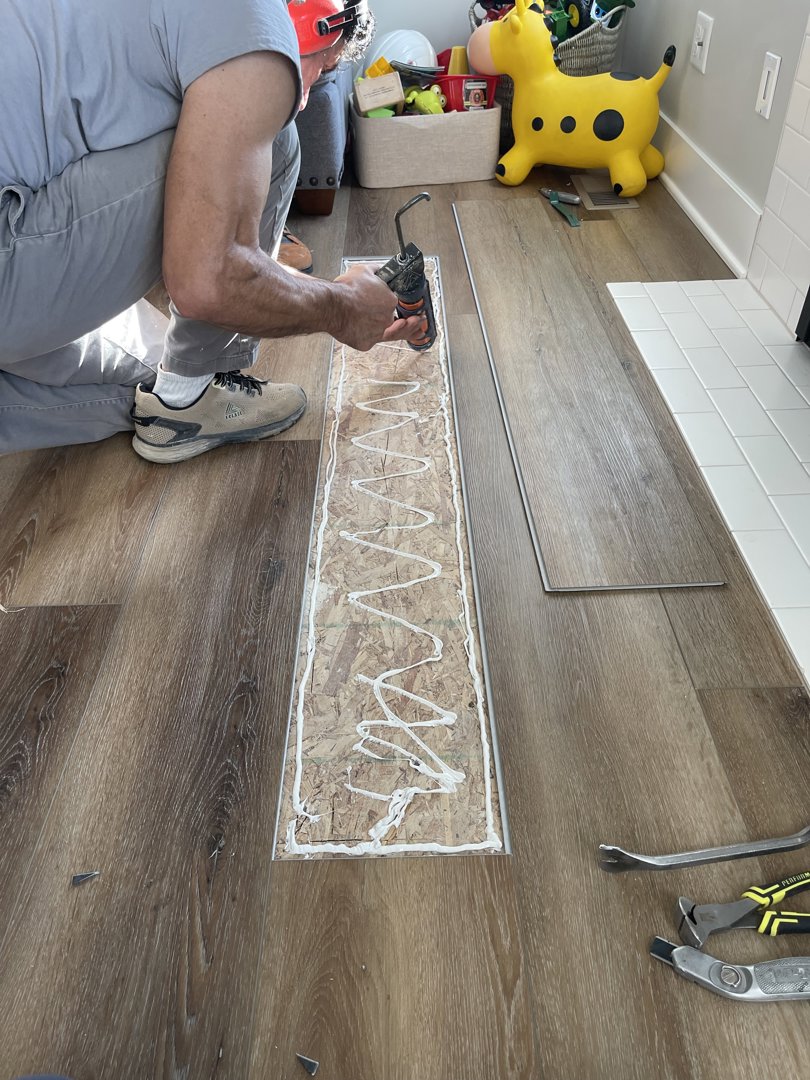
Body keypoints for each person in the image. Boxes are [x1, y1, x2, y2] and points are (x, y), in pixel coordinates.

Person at [0, 0, 424, 461]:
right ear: (313, 28)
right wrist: (342, 308)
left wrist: (290, 283)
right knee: (274, 139)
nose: (304, 97)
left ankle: (176, 399)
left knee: (152, 372)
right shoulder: (255, 25)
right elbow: (208, 280)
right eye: (322, 70)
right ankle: (189, 396)